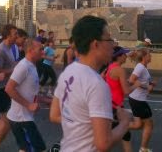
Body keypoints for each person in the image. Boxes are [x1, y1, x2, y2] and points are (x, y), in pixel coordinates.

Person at [49, 15, 131, 152]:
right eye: (109, 39)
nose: (113, 45)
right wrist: (125, 122)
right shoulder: (97, 84)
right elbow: (103, 144)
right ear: (96, 44)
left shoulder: (68, 72)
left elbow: (54, 115)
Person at [5, 38, 46, 152]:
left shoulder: (32, 66)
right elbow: (9, 88)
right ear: (31, 50)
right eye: (40, 49)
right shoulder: (23, 66)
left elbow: (32, 93)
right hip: (20, 119)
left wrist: (50, 101)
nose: (43, 52)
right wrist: (28, 105)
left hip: (24, 118)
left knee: (25, 149)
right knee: (39, 149)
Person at [0, 24, 19, 152]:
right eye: (15, 34)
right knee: (7, 121)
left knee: (6, 121)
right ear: (7, 36)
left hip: (5, 88)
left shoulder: (9, 48)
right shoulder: (1, 50)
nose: (17, 36)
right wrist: (13, 70)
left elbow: (9, 66)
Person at [105, 46, 139, 152]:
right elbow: (126, 91)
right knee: (107, 140)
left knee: (125, 135)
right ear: (119, 56)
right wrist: (136, 85)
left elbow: (115, 84)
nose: (126, 56)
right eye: (124, 54)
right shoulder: (120, 70)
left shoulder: (110, 67)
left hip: (111, 105)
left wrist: (128, 82)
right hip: (115, 107)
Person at [128, 48, 155, 152]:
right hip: (137, 100)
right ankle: (143, 149)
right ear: (144, 57)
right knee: (149, 124)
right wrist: (146, 87)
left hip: (137, 99)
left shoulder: (143, 67)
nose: (151, 56)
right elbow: (131, 80)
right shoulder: (140, 67)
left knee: (138, 124)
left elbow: (142, 81)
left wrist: (150, 84)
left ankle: (117, 127)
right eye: (149, 55)